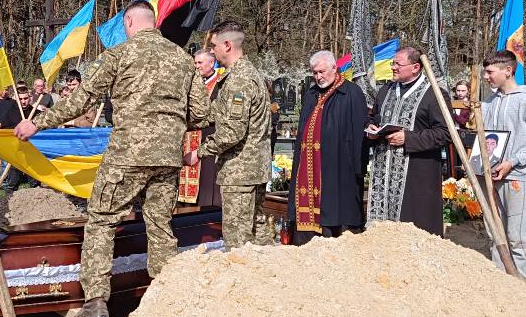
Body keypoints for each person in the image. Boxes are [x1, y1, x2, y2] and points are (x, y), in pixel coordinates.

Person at [16, 0, 209, 317]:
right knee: (160, 225)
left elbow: (82, 99)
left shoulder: (119, 55)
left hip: (127, 156)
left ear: (130, 22)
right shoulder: (182, 59)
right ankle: (168, 301)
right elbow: (202, 113)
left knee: (102, 220)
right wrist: (168, 125)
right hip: (167, 157)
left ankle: (95, 302)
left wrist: (38, 123)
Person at [184, 21, 271, 248]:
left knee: (238, 242)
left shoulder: (239, 80)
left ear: (227, 45)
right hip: (252, 170)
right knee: (258, 236)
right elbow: (216, 114)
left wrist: (198, 153)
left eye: (214, 46)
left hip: (240, 173)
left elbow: (232, 132)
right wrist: (181, 122)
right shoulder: (242, 74)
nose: (212, 52)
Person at [480, 50, 526, 278]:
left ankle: (525, 285)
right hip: (490, 177)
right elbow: (486, 139)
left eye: (490, 72)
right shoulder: (488, 103)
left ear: (508, 71)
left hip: (516, 178)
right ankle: (502, 284)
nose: (486, 77)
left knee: (517, 237)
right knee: (495, 235)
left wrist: (512, 162)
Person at [366, 46, 451, 237]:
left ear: (415, 67)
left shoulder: (434, 94)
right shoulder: (385, 90)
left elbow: (445, 133)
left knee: (415, 232)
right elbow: (373, 118)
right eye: (393, 63)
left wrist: (408, 138)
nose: (393, 67)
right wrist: (371, 129)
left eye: (398, 64)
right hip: (383, 174)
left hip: (416, 175)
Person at [285, 50, 368, 243]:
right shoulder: (311, 94)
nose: (318, 77)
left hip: (338, 165)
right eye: (314, 73)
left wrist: (358, 168)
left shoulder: (351, 93)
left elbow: (358, 135)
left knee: (333, 209)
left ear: (334, 68)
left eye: (322, 72)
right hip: (308, 164)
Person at [180, 49, 223, 207]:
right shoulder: (190, 81)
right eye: (195, 63)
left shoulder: (220, 83)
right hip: (187, 137)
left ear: (211, 63)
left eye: (200, 62)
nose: (197, 66)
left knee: (204, 186)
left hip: (206, 137)